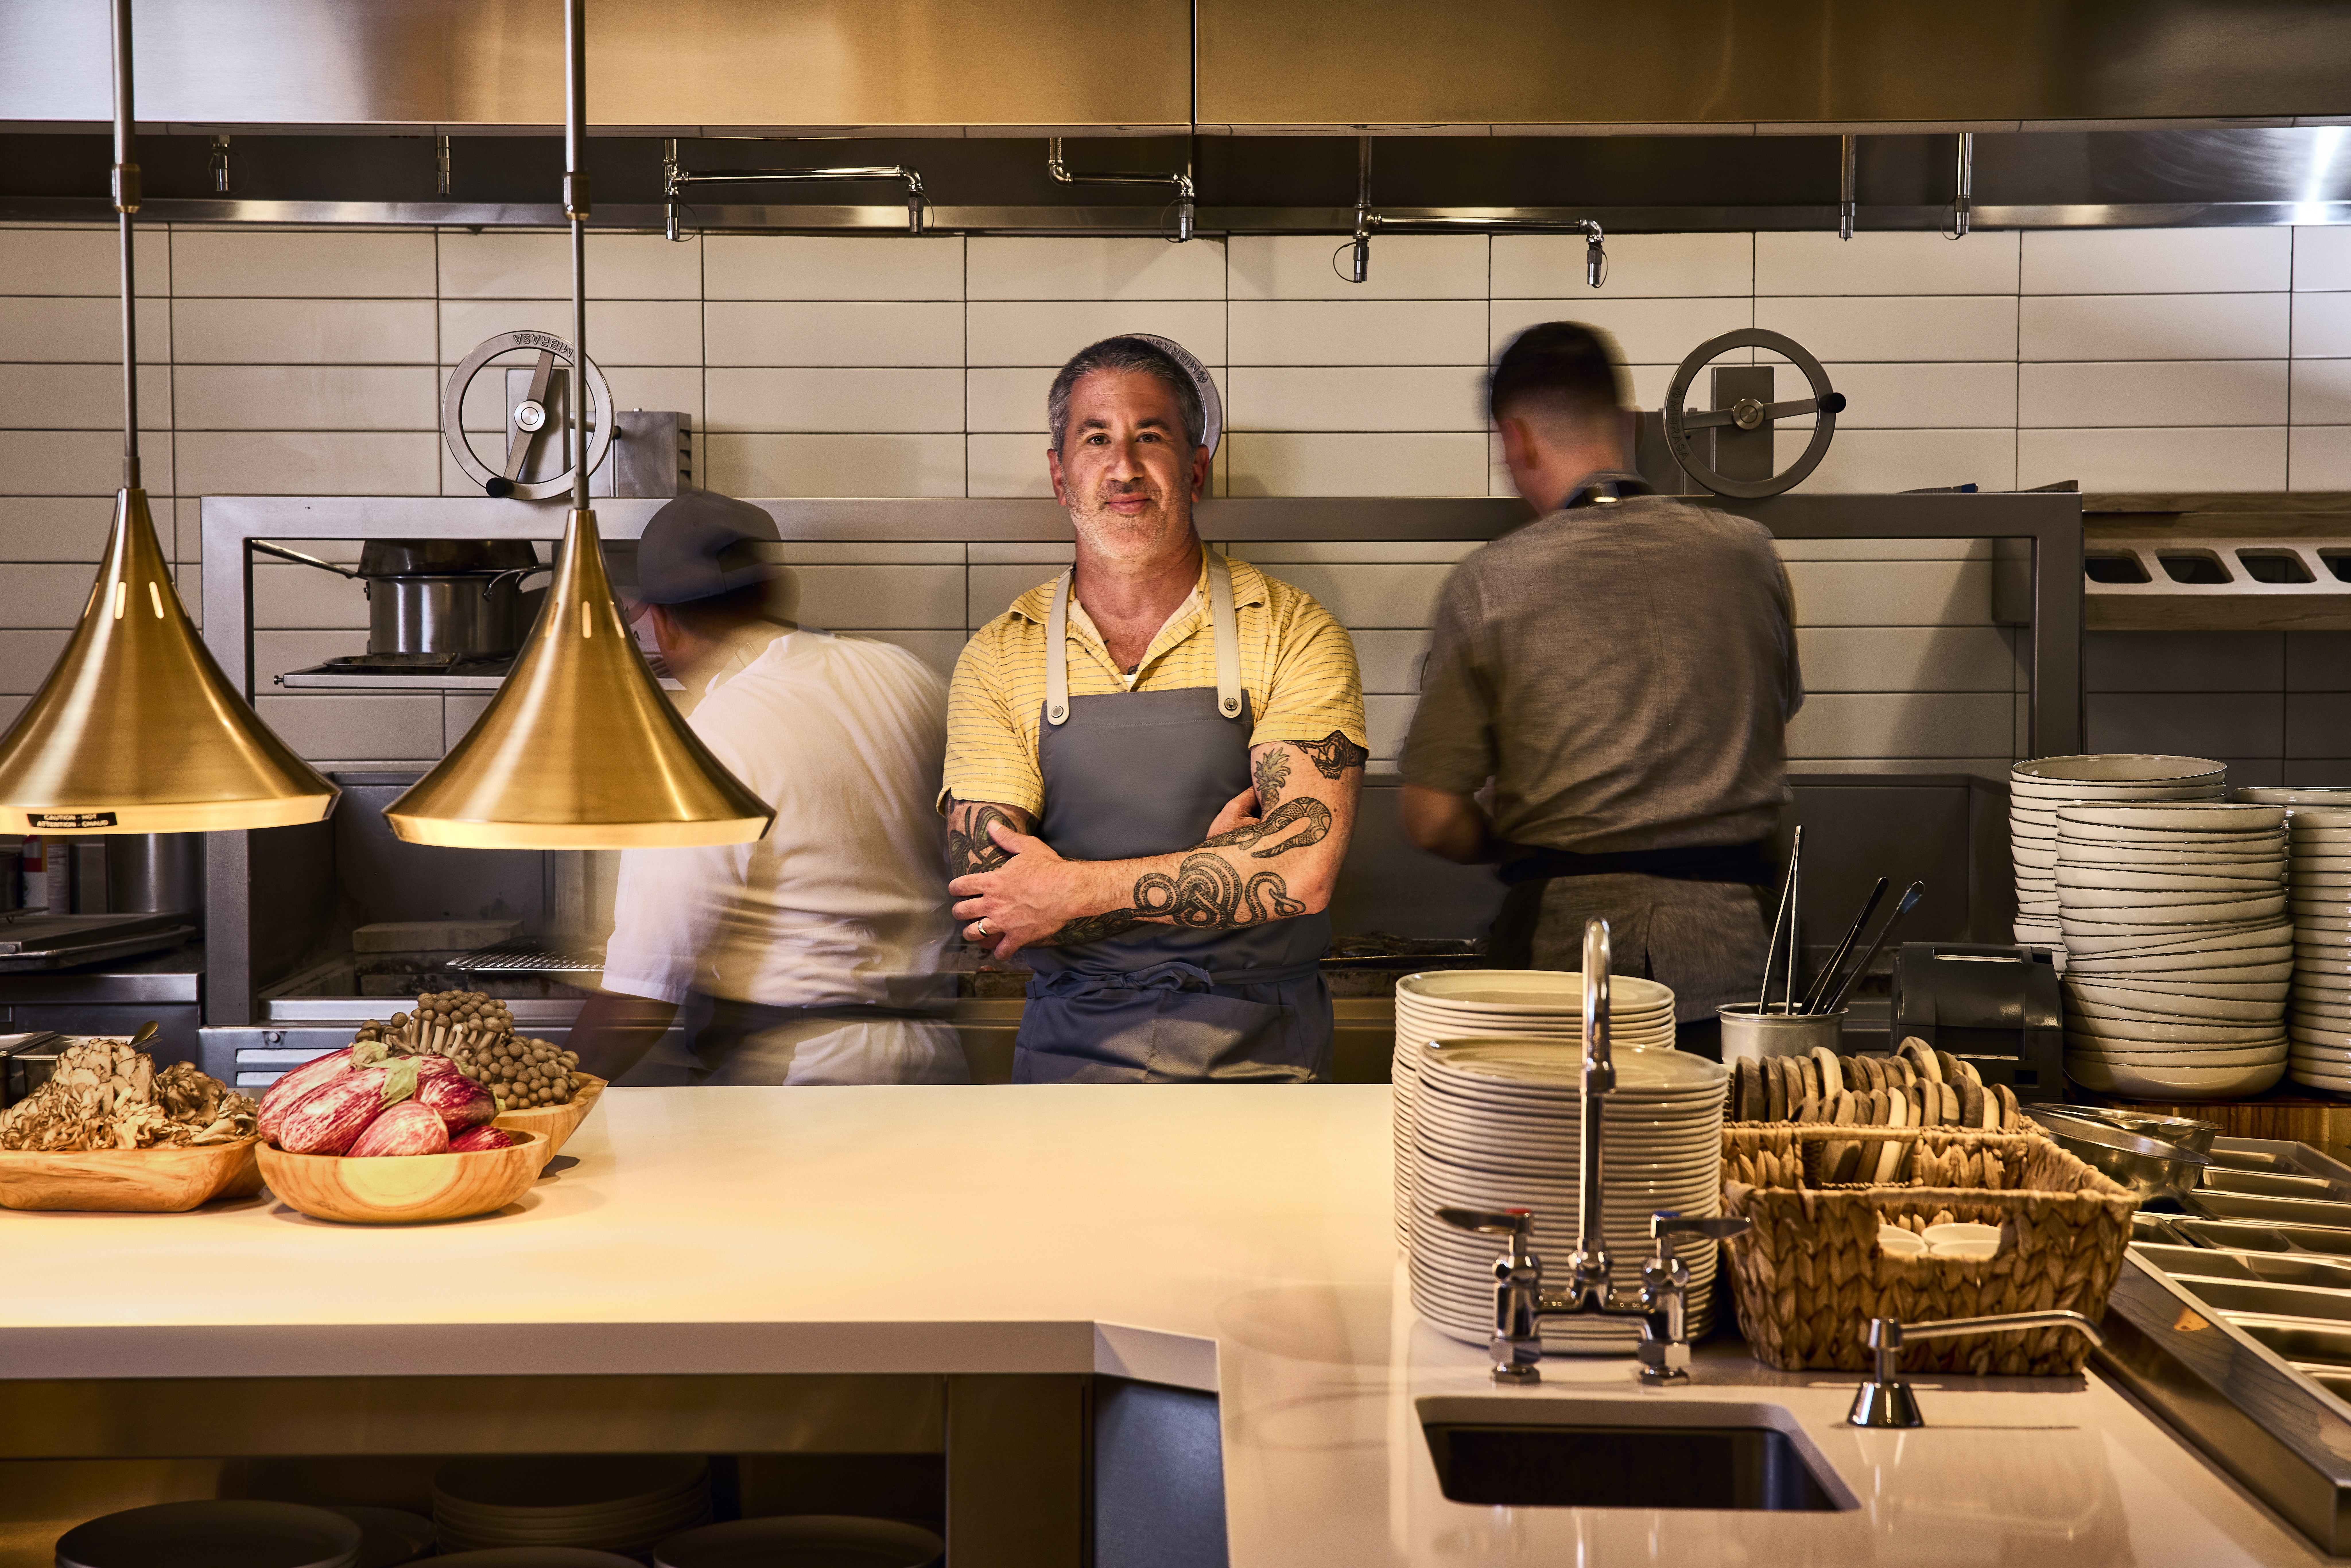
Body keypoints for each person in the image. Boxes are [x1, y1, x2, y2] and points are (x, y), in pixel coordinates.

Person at [942, 335, 1367, 1083]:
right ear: (1060, 474)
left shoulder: (1293, 629)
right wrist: (1223, 871)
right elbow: (992, 903)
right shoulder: (999, 655)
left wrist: (1071, 891)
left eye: (1151, 437)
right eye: (1096, 438)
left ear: (1194, 469)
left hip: (1260, 1058)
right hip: (1069, 1056)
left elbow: (1301, 873)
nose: (1125, 467)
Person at [1397, 322, 1803, 1058]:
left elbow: (1431, 817)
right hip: (1745, 964)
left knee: (1565, 1167)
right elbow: (1773, 718)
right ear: (1630, 426)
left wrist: (1514, 830)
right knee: (1740, 1163)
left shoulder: (1490, 583)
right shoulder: (1750, 555)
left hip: (1564, 970)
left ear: (1515, 440)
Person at [568, 489, 967, 1085]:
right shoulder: (904, 675)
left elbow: (642, 993)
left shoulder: (711, 734)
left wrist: (538, 1105)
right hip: (934, 1054)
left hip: (805, 1080)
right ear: (779, 590)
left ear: (661, 622)